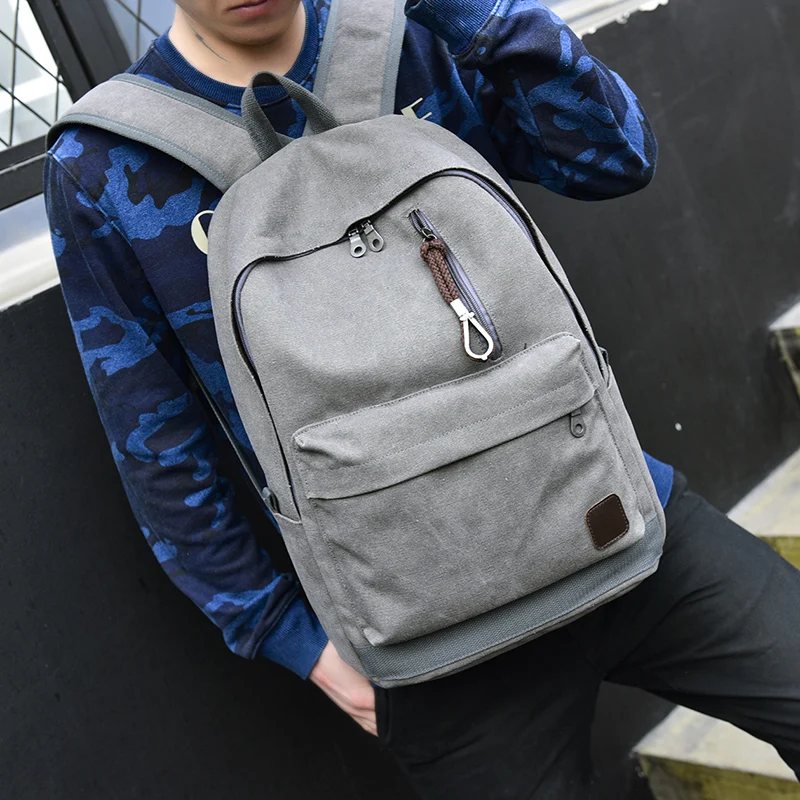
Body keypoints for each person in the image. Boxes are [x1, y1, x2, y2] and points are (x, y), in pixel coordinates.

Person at [44, 1, 800, 797]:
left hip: (611, 515)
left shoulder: (409, 34)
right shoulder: (107, 162)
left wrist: (474, 15)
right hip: (429, 639)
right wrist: (297, 643)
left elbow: (616, 156)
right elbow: (157, 444)